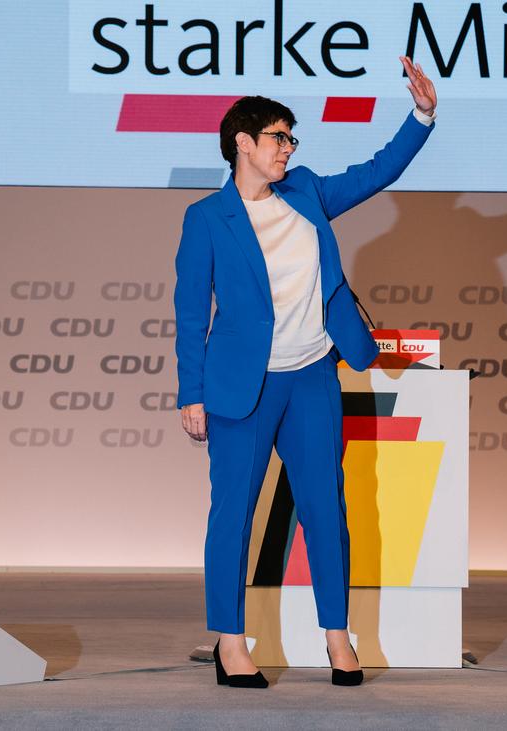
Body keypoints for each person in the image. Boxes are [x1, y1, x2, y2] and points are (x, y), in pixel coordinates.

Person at [174, 56, 438, 688]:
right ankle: (231, 642)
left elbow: (378, 171)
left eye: (293, 139)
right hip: (244, 387)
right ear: (243, 143)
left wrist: (422, 115)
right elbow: (190, 313)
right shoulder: (206, 218)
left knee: (326, 508)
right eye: (279, 138)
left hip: (313, 376)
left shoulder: (308, 191)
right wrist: (191, 393)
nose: (289, 148)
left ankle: (337, 637)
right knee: (233, 516)